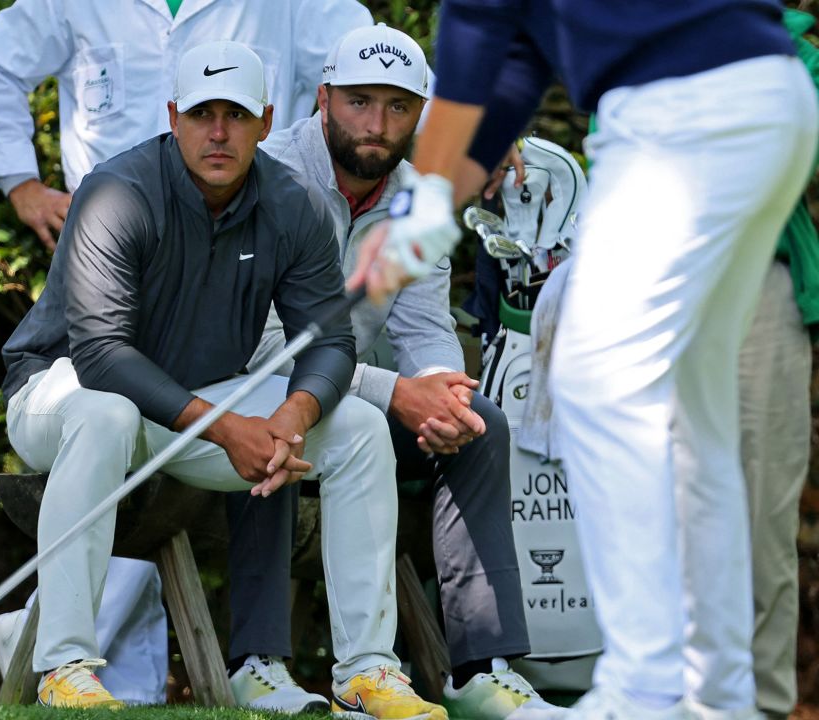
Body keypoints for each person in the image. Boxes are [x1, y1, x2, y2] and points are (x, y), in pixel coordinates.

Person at [348, 2, 818, 718]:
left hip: (680, 112)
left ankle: (645, 691)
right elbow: (515, 70)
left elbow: (476, 27)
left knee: (595, 382)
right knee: (698, 418)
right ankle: (718, 698)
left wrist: (425, 201)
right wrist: (434, 200)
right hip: (763, 103)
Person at [0, 41, 444, 719]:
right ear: (173, 115)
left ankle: (366, 672)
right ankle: (65, 666)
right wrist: (225, 425)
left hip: (200, 404)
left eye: (235, 115)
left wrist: (294, 414)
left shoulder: (288, 204)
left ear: (266, 122)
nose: (217, 132)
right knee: (108, 414)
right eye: (202, 113)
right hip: (62, 395)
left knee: (353, 426)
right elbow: (100, 356)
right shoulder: (119, 191)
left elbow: (326, 341)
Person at [252, 23, 561, 720]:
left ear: (422, 114)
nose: (376, 124)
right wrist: (399, 392)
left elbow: (423, 324)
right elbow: (263, 347)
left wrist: (446, 398)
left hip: (356, 393)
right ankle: (282, 664)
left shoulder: (416, 196)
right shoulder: (270, 177)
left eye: (397, 107)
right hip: (261, 397)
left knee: (480, 424)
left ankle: (481, 671)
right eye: (359, 102)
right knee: (352, 412)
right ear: (324, 98)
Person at [741, 11, 819, 718]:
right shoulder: (640, 42)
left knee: (762, 518)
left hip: (762, 285)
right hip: (657, 291)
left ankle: (764, 706)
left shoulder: (798, 53)